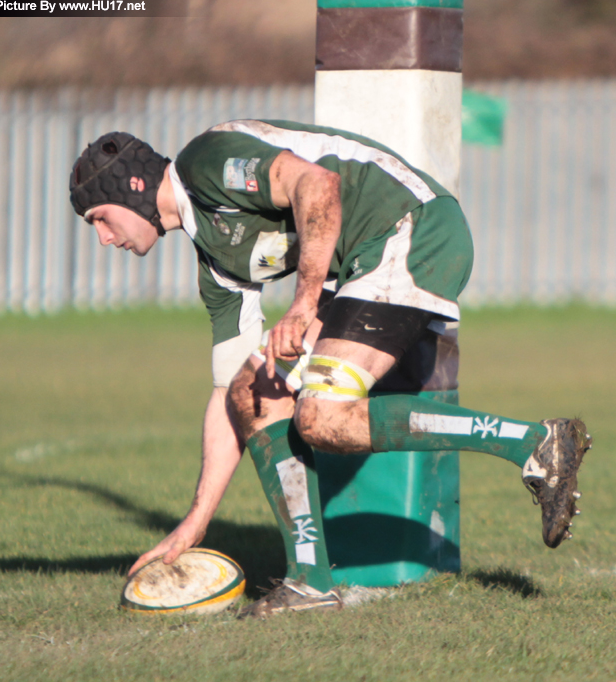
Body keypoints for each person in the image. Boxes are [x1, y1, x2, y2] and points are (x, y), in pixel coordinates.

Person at [70, 121, 591, 617]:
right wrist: (194, 523)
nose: (104, 238)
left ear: (132, 185)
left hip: (411, 228)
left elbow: (317, 185)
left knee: (320, 417)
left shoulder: (204, 163)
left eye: (99, 218)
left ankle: (531, 442)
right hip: (367, 262)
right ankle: (310, 582)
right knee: (254, 390)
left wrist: (302, 304)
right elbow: (226, 395)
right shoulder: (215, 262)